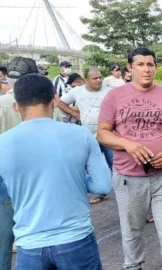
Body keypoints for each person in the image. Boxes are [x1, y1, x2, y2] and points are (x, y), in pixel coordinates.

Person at [0, 74, 112, 269]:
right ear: (54, 100)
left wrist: (16, 187)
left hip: (30, 245)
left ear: (16, 106)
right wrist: (72, 180)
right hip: (76, 239)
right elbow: (103, 185)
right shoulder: (81, 135)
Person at [97, 47, 162, 270]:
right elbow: (103, 133)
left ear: (156, 67)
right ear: (130, 67)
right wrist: (128, 144)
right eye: (140, 64)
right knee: (132, 231)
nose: (146, 69)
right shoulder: (114, 96)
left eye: (150, 64)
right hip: (128, 177)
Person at [0, 57, 62, 270]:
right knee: (44, 246)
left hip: (3, 187)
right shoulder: (48, 105)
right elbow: (59, 141)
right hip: (42, 185)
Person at [59, 67, 113, 205]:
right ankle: (99, 192)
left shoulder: (109, 91)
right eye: (95, 78)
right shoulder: (77, 91)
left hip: (107, 135)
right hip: (88, 137)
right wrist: (76, 114)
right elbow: (60, 102)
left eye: (100, 77)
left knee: (115, 164)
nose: (99, 80)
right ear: (87, 80)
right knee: (91, 166)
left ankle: (122, 192)